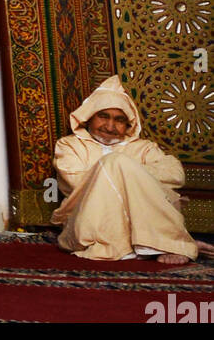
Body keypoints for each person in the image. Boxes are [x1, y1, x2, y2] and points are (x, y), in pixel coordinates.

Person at [52, 73, 214, 265]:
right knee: (115, 163)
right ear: (89, 118)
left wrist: (128, 171)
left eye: (119, 120)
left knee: (118, 163)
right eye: (103, 116)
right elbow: (78, 183)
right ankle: (170, 243)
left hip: (141, 223)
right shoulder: (70, 146)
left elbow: (175, 174)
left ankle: (154, 244)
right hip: (86, 223)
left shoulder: (143, 148)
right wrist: (122, 169)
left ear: (128, 124)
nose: (110, 126)